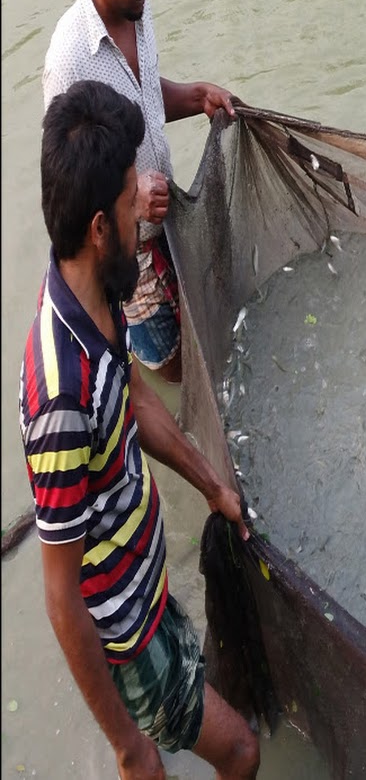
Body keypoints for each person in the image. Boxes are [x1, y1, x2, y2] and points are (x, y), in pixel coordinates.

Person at [19, 80, 259, 779]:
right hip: (124, 638)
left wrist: (213, 486)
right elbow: (61, 599)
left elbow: (134, 403)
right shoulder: (60, 395)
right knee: (242, 751)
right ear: (98, 227)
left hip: (144, 594)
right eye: (132, 204)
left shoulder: (95, 292)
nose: (141, 215)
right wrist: (129, 744)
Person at [43, 0, 237, 384]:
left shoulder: (138, 11)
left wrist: (196, 97)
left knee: (211, 349)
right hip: (129, 264)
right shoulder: (68, 61)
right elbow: (66, 206)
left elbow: (147, 96)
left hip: (170, 225)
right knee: (177, 376)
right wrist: (129, 203)